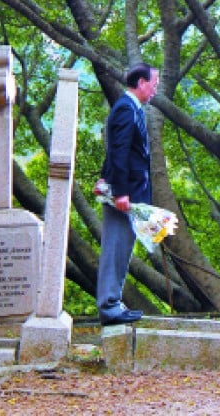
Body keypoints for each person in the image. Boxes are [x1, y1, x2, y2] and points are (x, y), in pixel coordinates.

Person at [95, 62, 159, 325]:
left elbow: (117, 150)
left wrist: (103, 175)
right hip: (125, 196)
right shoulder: (125, 107)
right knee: (116, 248)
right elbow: (119, 151)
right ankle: (109, 307)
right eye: (154, 84)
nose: (155, 89)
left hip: (130, 194)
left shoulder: (132, 108)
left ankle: (114, 303)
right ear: (141, 83)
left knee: (122, 250)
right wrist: (120, 192)